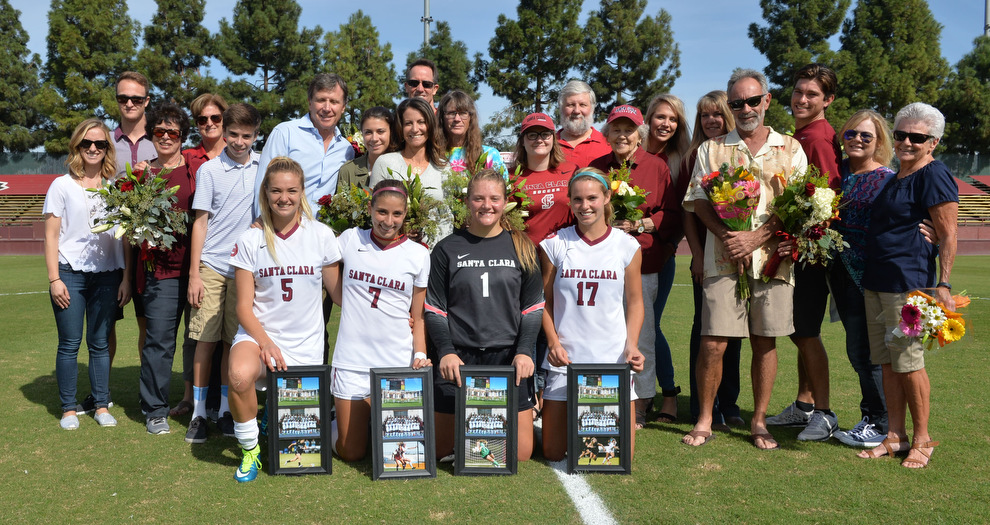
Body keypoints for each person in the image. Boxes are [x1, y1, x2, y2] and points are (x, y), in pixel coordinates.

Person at [682, 68, 808, 449]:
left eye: (753, 100)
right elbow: (697, 202)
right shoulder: (712, 148)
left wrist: (756, 237)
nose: (746, 108)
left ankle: (758, 420)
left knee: (765, 342)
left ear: (767, 101)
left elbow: (798, 205)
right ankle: (705, 418)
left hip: (772, 262)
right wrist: (727, 237)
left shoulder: (791, 148)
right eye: (737, 103)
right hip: (724, 260)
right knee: (712, 343)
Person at [228, 157, 342, 483]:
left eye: (292, 190)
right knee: (238, 374)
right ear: (265, 191)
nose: (284, 198)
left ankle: (269, 420)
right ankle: (251, 450)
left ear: (302, 191)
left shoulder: (321, 235)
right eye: (276, 190)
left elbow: (340, 296)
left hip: (305, 344)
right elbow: (244, 309)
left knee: (299, 449)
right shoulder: (250, 240)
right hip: (260, 336)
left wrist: (392, 315)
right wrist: (265, 343)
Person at [857, 102, 957, 468]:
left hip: (909, 286)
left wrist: (943, 282)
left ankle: (922, 440)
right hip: (877, 282)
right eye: (901, 135)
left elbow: (948, 235)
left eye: (918, 137)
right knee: (886, 363)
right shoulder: (894, 177)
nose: (907, 142)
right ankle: (894, 437)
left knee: (909, 362)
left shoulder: (934, 175)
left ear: (933, 142)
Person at [424, 169, 543, 462]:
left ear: (504, 202)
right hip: (460, 359)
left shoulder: (523, 246)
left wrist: (525, 351)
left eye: (493, 198)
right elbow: (435, 309)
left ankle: (529, 419)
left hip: (506, 358)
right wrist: (447, 353)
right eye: (478, 198)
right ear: (467, 201)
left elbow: (532, 308)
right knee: (439, 452)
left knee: (521, 454)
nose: (486, 205)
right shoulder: (446, 249)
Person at [539, 168, 645, 461]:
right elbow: (543, 302)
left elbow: (635, 302)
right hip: (566, 359)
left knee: (618, 455)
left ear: (607, 197)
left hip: (610, 360)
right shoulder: (555, 244)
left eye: (592, 198)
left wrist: (632, 345)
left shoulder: (627, 245)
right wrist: (553, 343)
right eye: (577, 199)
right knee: (552, 451)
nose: (585, 206)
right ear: (570, 202)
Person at [766, 64, 845, 441]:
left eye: (812, 94)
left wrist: (804, 243)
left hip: (811, 251)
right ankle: (804, 404)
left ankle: (824, 413)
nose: (801, 99)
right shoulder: (805, 134)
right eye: (798, 91)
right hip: (802, 246)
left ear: (827, 100)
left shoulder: (817, 138)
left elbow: (827, 200)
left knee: (805, 332)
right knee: (801, 330)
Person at [328, 180, 431, 461]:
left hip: (394, 361)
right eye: (382, 212)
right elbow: (318, 253)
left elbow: (417, 315)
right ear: (370, 209)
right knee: (351, 452)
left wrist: (420, 353)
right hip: (352, 360)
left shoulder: (419, 254)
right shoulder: (350, 239)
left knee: (393, 449)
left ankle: (369, 418)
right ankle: (332, 423)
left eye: (396, 214)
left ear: (405, 214)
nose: (388, 221)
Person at [590, 105, 678, 429]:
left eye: (629, 130)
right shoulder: (597, 167)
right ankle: (603, 396)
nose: (622, 135)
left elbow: (670, 213)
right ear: (607, 133)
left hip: (643, 265)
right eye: (616, 129)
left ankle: (640, 403)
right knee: (603, 333)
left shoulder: (657, 167)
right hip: (601, 266)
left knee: (641, 338)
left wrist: (639, 224)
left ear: (640, 135)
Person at [184, 103, 263, 444]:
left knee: (234, 344)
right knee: (204, 340)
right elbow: (200, 222)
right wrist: (194, 274)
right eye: (233, 134)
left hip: (246, 270)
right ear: (223, 132)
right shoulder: (210, 171)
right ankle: (199, 413)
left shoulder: (264, 167)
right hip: (212, 267)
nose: (239, 141)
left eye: (247, 136)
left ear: (256, 135)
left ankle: (227, 411)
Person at [44, 119, 130, 430]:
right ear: (77, 147)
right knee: (69, 343)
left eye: (100, 144)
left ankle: (101, 405)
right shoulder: (61, 185)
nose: (93, 149)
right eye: (87, 144)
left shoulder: (116, 188)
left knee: (99, 342)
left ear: (108, 148)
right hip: (70, 273)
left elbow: (125, 237)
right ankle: (69, 408)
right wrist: (55, 279)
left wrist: (126, 278)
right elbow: (52, 235)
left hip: (108, 275)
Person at [827, 110, 895, 448]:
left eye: (866, 136)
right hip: (839, 274)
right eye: (851, 133)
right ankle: (873, 417)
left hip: (870, 278)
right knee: (857, 351)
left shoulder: (887, 179)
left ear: (878, 141)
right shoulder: (837, 174)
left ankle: (879, 422)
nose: (857, 140)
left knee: (868, 353)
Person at [681, 91, 744, 431]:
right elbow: (689, 211)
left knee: (733, 333)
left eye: (717, 114)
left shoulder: (737, 153)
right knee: (706, 332)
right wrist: (698, 254)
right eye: (704, 115)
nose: (710, 121)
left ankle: (729, 402)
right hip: (709, 258)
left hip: (737, 253)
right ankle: (703, 406)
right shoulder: (697, 155)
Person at [138, 103, 197, 436]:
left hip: (196, 269)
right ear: (151, 134)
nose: (165, 137)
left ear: (181, 136)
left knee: (199, 340)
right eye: (158, 131)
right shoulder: (142, 173)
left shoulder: (194, 169)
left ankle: (202, 405)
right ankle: (155, 410)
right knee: (159, 342)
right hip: (160, 271)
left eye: (172, 131)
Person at [172, 92, 230, 419]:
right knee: (196, 332)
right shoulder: (188, 157)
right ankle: (189, 397)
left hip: (230, 259)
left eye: (215, 118)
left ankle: (223, 402)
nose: (209, 124)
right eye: (202, 120)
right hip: (192, 253)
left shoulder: (243, 156)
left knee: (228, 336)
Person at [642, 93, 692, 423]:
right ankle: (634, 394)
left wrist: (655, 231)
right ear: (648, 119)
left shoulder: (680, 160)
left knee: (650, 325)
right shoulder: (629, 154)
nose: (666, 124)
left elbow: (681, 213)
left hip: (660, 256)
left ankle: (669, 394)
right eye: (661, 117)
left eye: (673, 119)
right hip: (620, 258)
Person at [255, 73, 354, 217]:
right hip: (282, 230)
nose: (327, 108)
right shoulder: (285, 134)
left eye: (334, 102)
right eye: (321, 100)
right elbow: (262, 186)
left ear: (343, 107)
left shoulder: (346, 149)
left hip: (322, 234)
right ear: (309, 102)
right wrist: (264, 226)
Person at [512, 112, 579, 245]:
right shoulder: (511, 178)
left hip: (568, 251)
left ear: (553, 139)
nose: (539, 140)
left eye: (545, 134)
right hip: (528, 255)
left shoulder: (572, 171)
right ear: (522, 141)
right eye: (532, 135)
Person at [370, 97, 448, 203]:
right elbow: (374, 208)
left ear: (430, 126)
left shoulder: (444, 167)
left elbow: (450, 212)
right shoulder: (385, 163)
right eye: (408, 123)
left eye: (421, 122)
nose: (415, 129)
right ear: (400, 127)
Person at [438, 90, 508, 177]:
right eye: (451, 113)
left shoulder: (489, 155)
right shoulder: (433, 154)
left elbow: (503, 188)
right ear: (442, 118)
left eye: (463, 113)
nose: (457, 119)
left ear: (471, 118)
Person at [336, 107, 397, 191]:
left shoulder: (402, 165)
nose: (374, 138)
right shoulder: (348, 171)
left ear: (391, 132)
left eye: (380, 131)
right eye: (368, 132)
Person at [556, 80, 611, 167]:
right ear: (561, 108)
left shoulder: (609, 144)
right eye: (571, 105)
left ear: (592, 109)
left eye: (582, 105)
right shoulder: (548, 145)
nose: (577, 111)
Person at [112, 71, 156, 175]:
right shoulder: (104, 143)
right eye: (123, 99)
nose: (129, 104)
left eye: (136, 99)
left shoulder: (163, 140)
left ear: (146, 101)